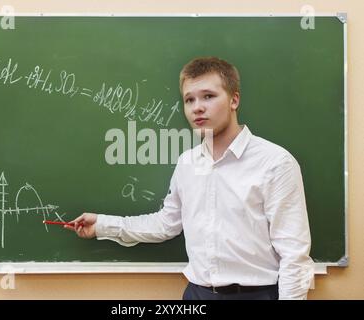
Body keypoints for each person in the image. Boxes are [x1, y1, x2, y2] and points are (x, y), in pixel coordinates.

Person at [65, 56, 315, 300]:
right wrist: (101, 224)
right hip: (196, 293)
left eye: (208, 96)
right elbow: (166, 223)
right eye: (189, 99)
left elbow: (294, 254)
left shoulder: (275, 163)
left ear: (234, 99)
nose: (197, 107)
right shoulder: (187, 163)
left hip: (256, 294)